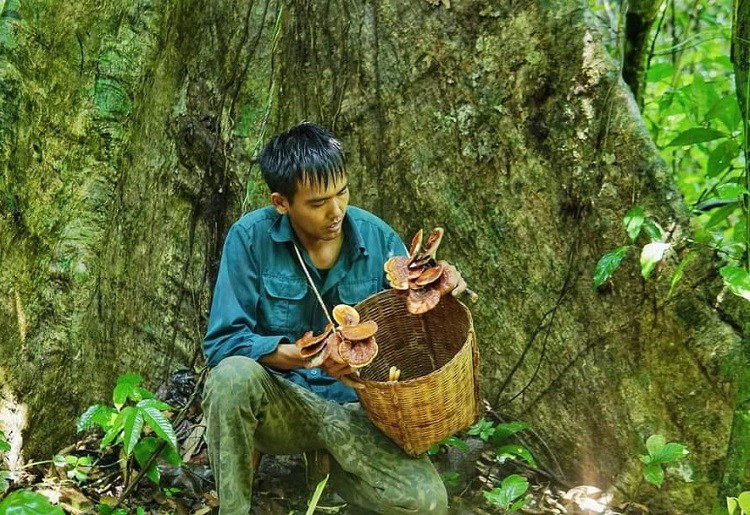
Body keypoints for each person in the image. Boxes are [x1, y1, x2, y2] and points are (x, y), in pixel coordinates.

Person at [202, 122, 452, 514]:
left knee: (429, 504)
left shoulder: (377, 237)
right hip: (286, 406)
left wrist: (442, 294)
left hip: (357, 411)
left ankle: (339, 470)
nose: (336, 212)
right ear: (282, 203)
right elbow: (222, 343)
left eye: (342, 192)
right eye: (318, 203)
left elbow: (413, 333)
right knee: (231, 377)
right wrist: (299, 356)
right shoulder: (250, 238)